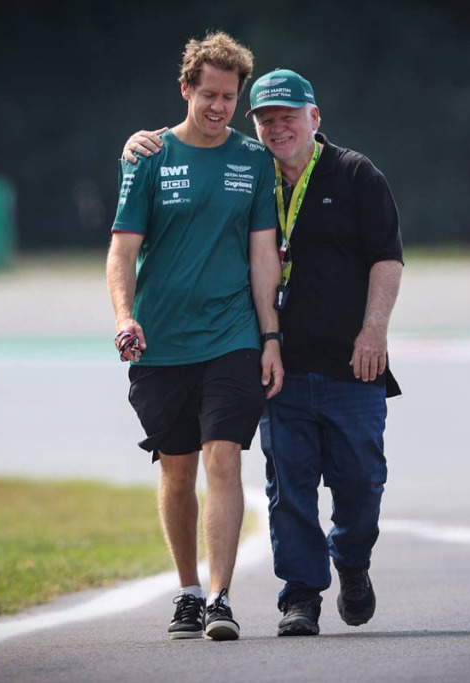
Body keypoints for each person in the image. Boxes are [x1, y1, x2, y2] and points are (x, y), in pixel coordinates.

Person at [123, 68, 403, 637]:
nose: (278, 128)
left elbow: (387, 259)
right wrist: (137, 145)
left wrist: (374, 331)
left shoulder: (356, 174)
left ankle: (352, 560)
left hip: (353, 363)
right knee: (287, 489)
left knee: (361, 484)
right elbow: (192, 158)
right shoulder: (250, 170)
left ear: (314, 117)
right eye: (267, 119)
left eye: (289, 117)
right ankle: (299, 597)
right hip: (276, 364)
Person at [106, 32, 283, 642]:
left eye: (229, 98)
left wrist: (270, 336)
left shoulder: (253, 160)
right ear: (186, 89)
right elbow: (122, 251)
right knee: (177, 470)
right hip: (162, 342)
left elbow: (264, 256)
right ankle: (186, 590)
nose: (218, 107)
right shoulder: (148, 156)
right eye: (209, 94)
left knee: (224, 456)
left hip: (232, 336)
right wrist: (124, 317)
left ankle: (219, 598)